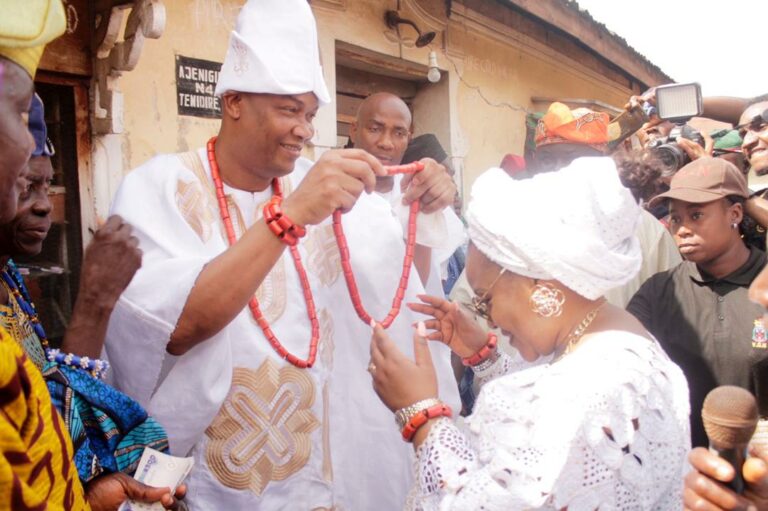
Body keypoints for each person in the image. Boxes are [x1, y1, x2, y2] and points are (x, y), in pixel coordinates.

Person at [104, 1, 460, 509]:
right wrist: (289, 216)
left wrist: (424, 208)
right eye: (289, 110)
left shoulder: (325, 191)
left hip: (318, 484)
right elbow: (175, 329)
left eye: (311, 114)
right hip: (204, 485)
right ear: (233, 102)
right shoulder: (158, 188)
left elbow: (397, 303)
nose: (305, 130)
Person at [368, 157, 691, 509]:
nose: (487, 319)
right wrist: (485, 357)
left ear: (540, 286)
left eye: (484, 300)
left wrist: (420, 415)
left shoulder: (584, 392)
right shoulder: (623, 340)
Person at [0, 4, 184, 510]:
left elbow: (35, 453)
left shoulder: (9, 279)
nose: (41, 201)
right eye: (14, 115)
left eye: (46, 183)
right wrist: (95, 302)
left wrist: (94, 492)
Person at [628, 157, 767, 448]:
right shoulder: (658, 293)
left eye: (696, 215)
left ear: (735, 214)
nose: (682, 229)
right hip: (685, 471)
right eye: (676, 218)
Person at [348, 93, 463, 287]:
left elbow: (437, 281)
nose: (386, 142)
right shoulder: (330, 191)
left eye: (399, 133)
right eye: (375, 129)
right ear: (353, 130)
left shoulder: (420, 191)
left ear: (408, 139)